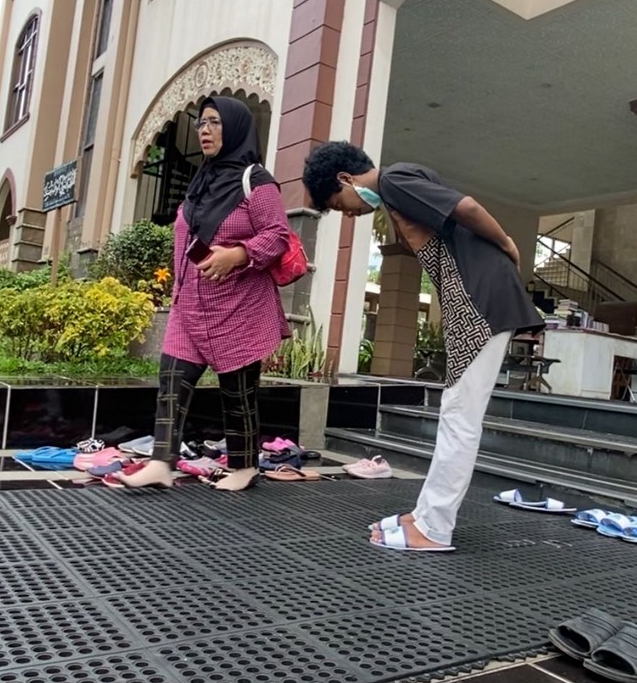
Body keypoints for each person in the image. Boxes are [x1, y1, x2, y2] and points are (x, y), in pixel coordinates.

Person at [302, 142, 543, 552]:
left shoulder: (393, 180)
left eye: (339, 204)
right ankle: (426, 514)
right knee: (456, 412)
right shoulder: (400, 186)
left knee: (459, 417)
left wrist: (507, 242)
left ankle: (434, 528)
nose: (348, 212)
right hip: (473, 302)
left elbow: (464, 207)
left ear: (346, 179)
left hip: (479, 302)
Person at [121, 96, 290, 493]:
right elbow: (185, 242)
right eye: (200, 123)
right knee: (171, 384)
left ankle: (245, 467)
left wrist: (237, 254)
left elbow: (278, 236)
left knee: (238, 393)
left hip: (239, 307)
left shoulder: (257, 180)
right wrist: (177, 291)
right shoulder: (201, 180)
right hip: (190, 305)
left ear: (234, 128)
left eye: (214, 122)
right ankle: (162, 462)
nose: (205, 130)